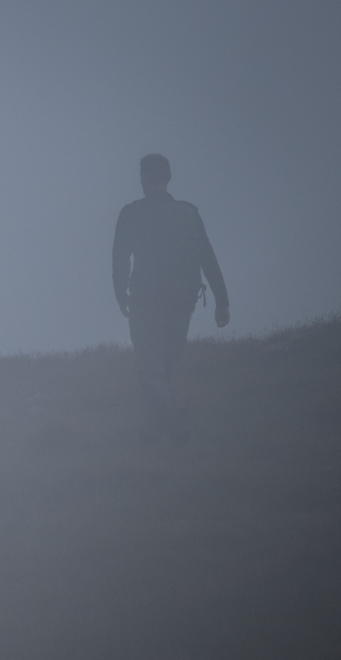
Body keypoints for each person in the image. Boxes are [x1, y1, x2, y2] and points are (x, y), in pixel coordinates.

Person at [113, 154, 229, 444]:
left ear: (144, 180)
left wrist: (120, 293)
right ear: (168, 178)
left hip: (146, 300)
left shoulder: (131, 213)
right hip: (182, 301)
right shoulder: (189, 213)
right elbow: (208, 257)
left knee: (151, 369)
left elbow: (119, 258)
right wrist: (222, 300)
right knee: (163, 368)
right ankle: (159, 432)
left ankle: (175, 427)